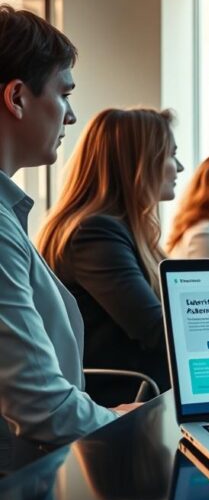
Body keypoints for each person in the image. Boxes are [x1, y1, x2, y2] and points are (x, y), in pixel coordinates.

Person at [0, 4, 125, 470]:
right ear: (17, 97)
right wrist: (123, 423)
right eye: (64, 94)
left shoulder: (9, 214)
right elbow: (40, 405)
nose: (71, 117)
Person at [37, 107, 183, 407]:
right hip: (123, 406)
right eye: (171, 154)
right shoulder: (95, 234)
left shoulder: (121, 231)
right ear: (139, 163)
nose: (179, 167)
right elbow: (155, 329)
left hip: (146, 397)